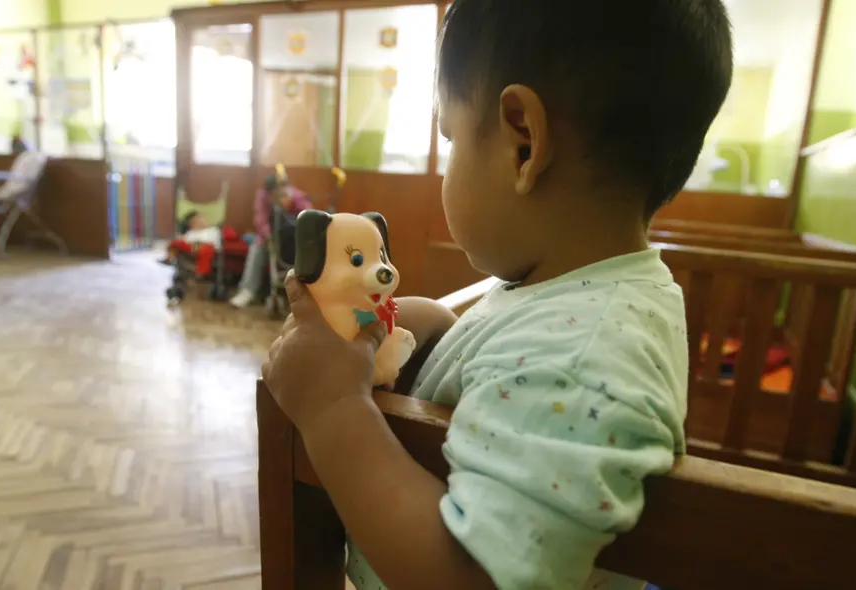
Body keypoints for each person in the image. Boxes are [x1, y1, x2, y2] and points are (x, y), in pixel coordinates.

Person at [261, 0, 733, 588]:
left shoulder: (581, 359)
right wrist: (433, 331)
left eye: (451, 137)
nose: (447, 166)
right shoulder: (574, 288)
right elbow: (505, 363)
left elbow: (475, 576)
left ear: (523, 144)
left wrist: (332, 408)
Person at [229, 169, 312, 308]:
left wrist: (291, 205)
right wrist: (269, 237)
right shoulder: (262, 196)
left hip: (296, 240)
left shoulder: (299, 197)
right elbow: (260, 220)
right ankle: (247, 291)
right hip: (271, 239)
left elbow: (308, 219)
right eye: (273, 193)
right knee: (256, 248)